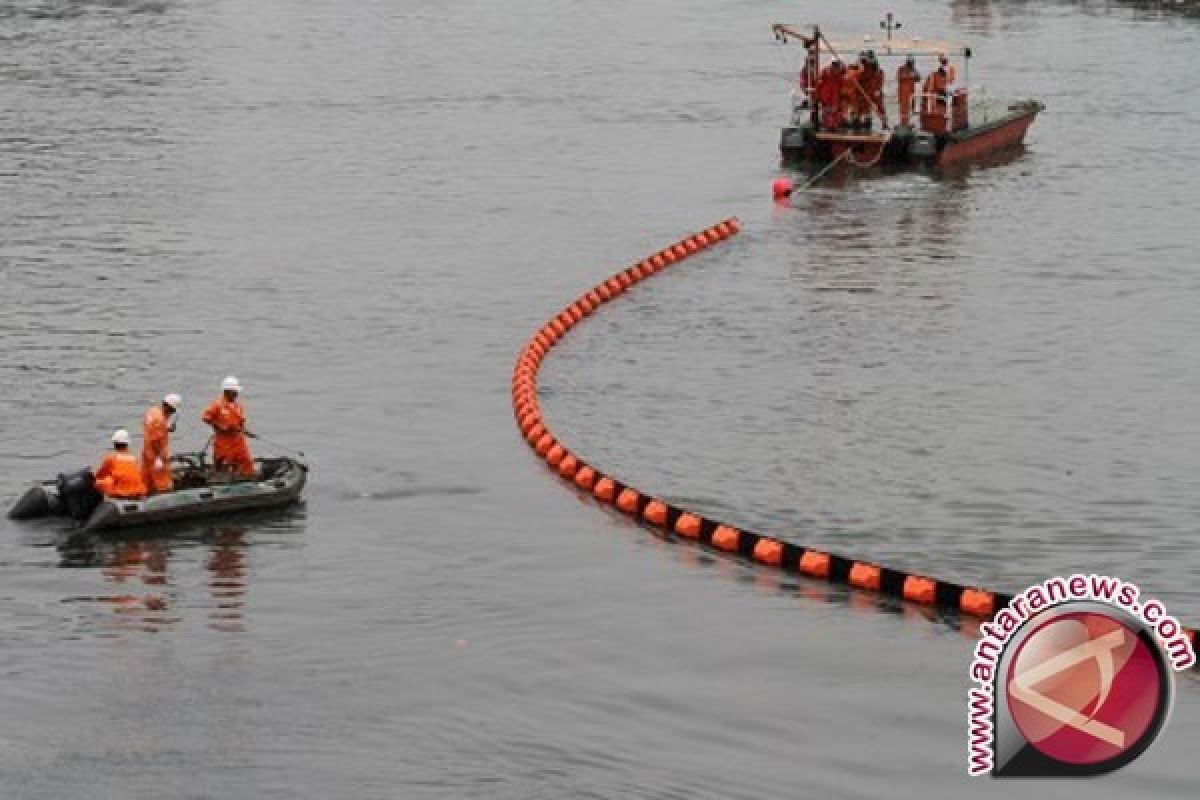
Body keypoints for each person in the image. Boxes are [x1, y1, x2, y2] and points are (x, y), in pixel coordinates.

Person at [201, 376, 256, 478]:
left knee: (247, 464)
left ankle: (247, 481)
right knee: (223, 466)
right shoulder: (217, 405)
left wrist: (247, 432)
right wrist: (221, 427)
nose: (237, 394)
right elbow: (205, 417)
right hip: (224, 442)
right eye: (234, 391)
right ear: (227, 391)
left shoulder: (238, 406)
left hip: (238, 441)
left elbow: (241, 424)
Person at [142, 393, 181, 493]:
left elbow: (152, 430)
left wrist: (166, 428)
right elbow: (156, 440)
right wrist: (159, 457)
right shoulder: (160, 420)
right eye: (172, 410)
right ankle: (162, 495)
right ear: (168, 407)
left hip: (147, 451)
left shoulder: (152, 411)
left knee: (147, 478)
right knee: (162, 482)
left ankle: (146, 494)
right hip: (156, 454)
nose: (172, 413)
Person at [95, 429, 148, 498]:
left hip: (121, 492)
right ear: (127, 444)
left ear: (114, 444)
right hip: (138, 491)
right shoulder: (134, 458)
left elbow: (99, 475)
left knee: (99, 482)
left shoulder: (111, 458)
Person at [855, 51, 887, 130]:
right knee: (862, 107)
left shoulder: (878, 70)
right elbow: (859, 78)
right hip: (865, 91)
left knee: (880, 107)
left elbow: (880, 80)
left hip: (875, 91)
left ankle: (884, 123)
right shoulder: (862, 67)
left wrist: (878, 89)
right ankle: (861, 122)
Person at [816, 59, 846, 130]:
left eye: (837, 64)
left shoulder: (841, 74)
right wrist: (817, 96)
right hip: (827, 99)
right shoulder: (825, 72)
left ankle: (834, 124)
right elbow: (818, 84)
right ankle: (829, 125)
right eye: (834, 64)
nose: (835, 66)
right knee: (828, 116)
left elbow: (843, 85)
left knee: (838, 115)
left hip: (836, 99)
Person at [896, 56, 921, 127]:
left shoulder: (914, 70)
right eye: (911, 62)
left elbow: (918, 78)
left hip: (911, 92)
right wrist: (910, 75)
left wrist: (914, 74)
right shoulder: (901, 69)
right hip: (903, 92)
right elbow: (899, 77)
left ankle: (908, 122)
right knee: (903, 108)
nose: (912, 64)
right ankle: (903, 123)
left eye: (912, 62)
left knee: (911, 108)